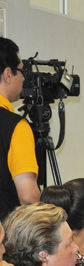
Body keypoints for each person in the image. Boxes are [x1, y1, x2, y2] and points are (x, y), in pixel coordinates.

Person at [0, 37, 40, 221]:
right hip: (6, 231)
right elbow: (28, 197)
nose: (24, 78)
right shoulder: (15, 127)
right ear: (8, 74)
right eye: (21, 71)